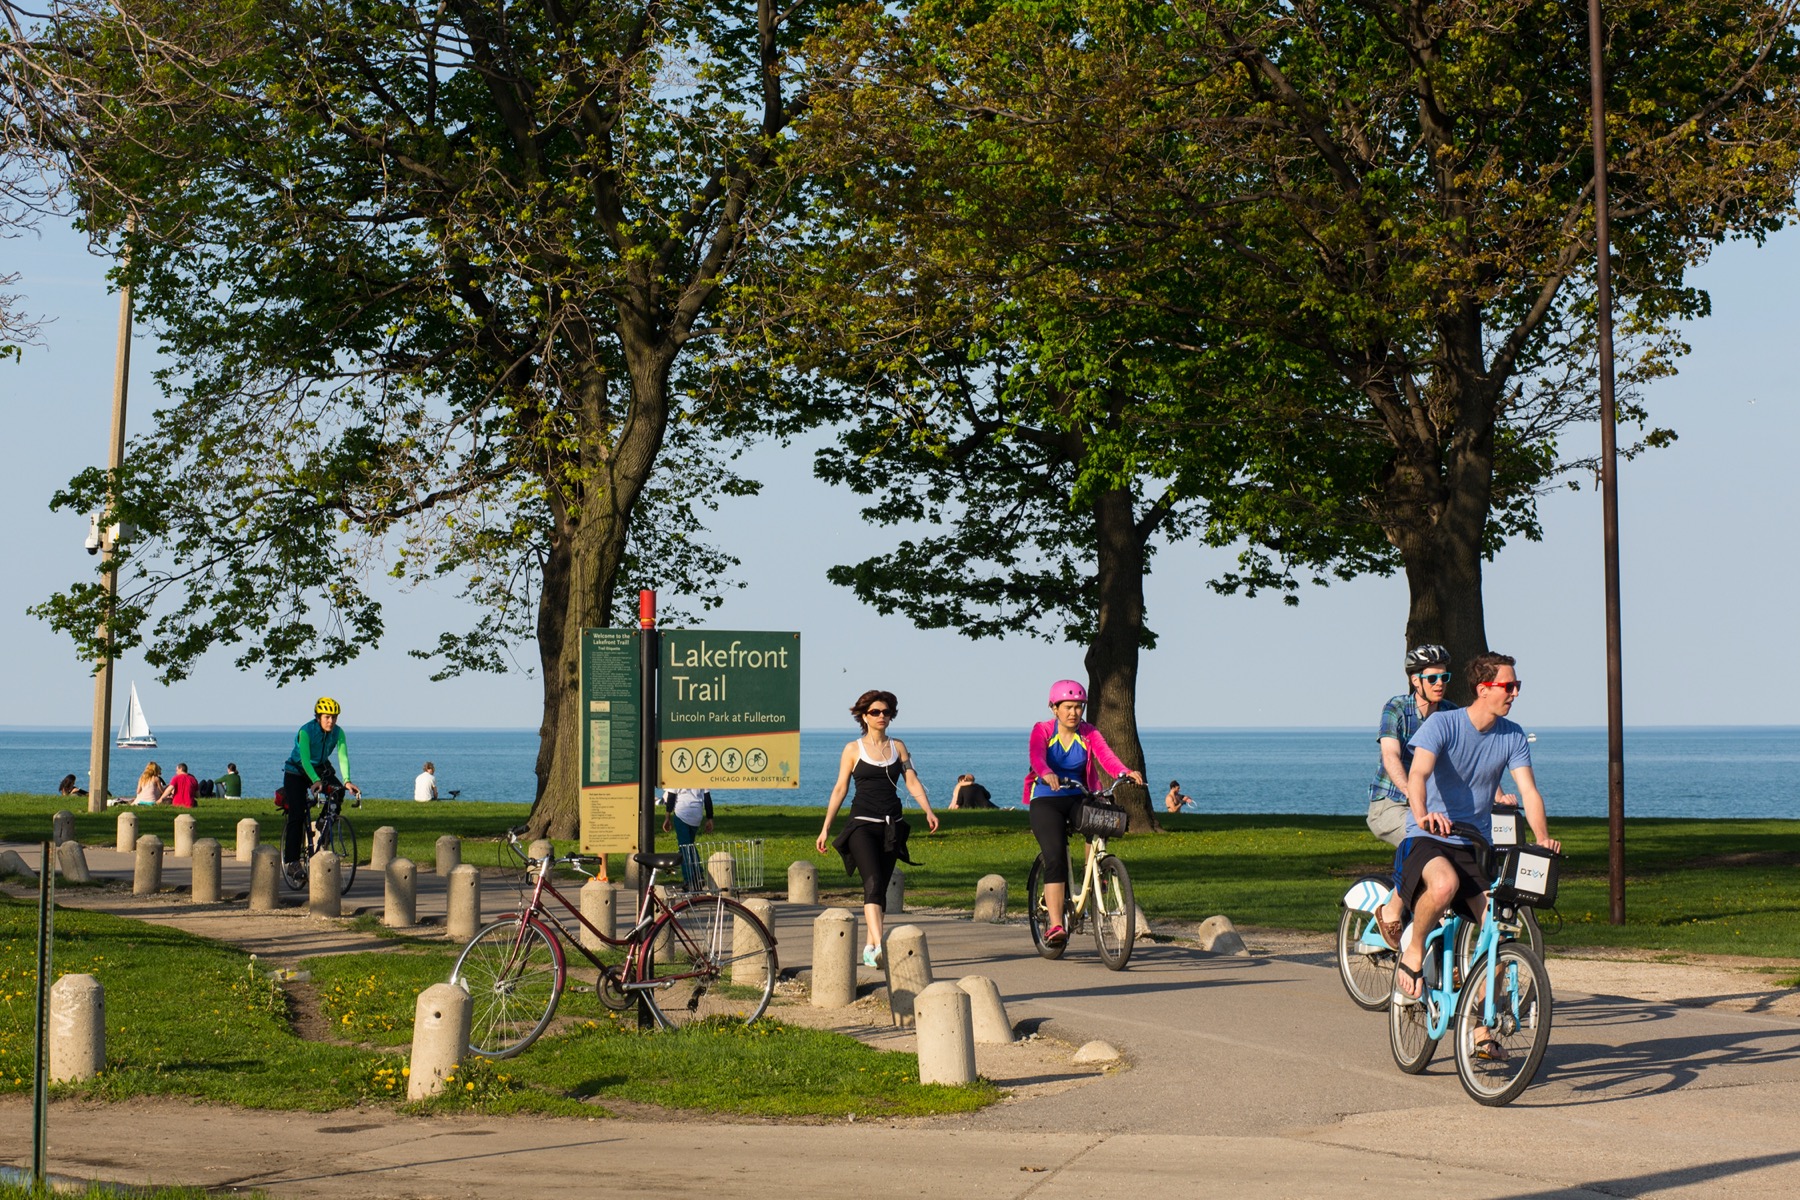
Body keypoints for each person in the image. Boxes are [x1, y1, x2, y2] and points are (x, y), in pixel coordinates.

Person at [1393, 653, 1560, 1023]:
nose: (1515, 692)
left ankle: (1481, 1028)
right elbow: (1418, 773)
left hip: (1474, 845)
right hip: (1430, 836)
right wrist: (1423, 814)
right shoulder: (1443, 725)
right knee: (1443, 886)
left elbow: (1529, 792)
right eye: (1508, 686)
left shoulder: (1512, 735)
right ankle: (1414, 952)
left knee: (1498, 931)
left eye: (1518, 686)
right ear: (1483, 689)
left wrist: (1543, 837)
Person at [816, 690, 939, 968]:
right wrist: (825, 828)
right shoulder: (852, 749)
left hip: (891, 826)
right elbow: (840, 789)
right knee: (871, 882)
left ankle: (870, 947)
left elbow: (912, 781)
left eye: (886, 712)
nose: (881, 716)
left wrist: (928, 810)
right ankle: (881, 943)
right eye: (875, 712)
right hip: (861, 826)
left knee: (880, 887)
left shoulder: (899, 747)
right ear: (863, 716)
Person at [1026, 680, 1145, 948]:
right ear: (1054, 708)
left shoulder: (1089, 732)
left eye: (1079, 707)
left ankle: (1096, 873)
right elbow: (1037, 757)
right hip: (1047, 800)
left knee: (1103, 817)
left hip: (1079, 795)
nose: (1074, 712)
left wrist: (1124, 772)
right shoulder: (1043, 730)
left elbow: (1107, 757)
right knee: (1055, 856)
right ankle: (1056, 924)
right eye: (1068, 707)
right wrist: (1046, 773)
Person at [1367, 644, 1459, 945]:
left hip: (1429, 809)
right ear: (1415, 681)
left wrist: (1498, 793)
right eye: (1432, 678)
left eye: (1444, 677)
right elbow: (1391, 756)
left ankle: (1445, 958)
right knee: (1427, 843)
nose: (1440, 684)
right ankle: (1391, 911)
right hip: (1391, 803)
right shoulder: (1396, 708)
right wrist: (1411, 790)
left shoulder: (1450, 713)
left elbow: (1467, 759)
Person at [282, 697, 360, 871]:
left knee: (338, 791)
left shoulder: (338, 733)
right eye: (327, 717)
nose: (331, 721)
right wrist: (315, 780)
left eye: (334, 717)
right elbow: (304, 759)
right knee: (297, 814)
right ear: (318, 717)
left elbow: (343, 756)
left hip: (321, 768)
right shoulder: (306, 731)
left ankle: (323, 824)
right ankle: (292, 862)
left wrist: (347, 780)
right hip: (297, 771)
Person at [662, 786, 715, 888]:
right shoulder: (701, 774)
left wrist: (667, 817)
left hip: (681, 813)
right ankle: (698, 874)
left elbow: (671, 796)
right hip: (696, 814)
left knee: (684, 848)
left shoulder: (677, 774)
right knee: (690, 845)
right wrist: (710, 818)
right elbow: (707, 797)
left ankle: (689, 879)